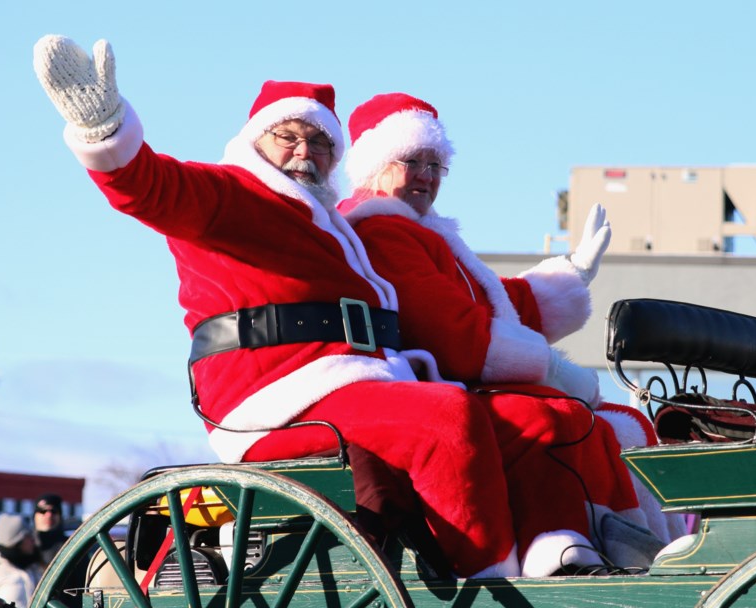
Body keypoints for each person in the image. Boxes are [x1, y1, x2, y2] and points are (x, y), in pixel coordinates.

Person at [34, 35, 535, 578]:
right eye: (289, 135)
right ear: (256, 141)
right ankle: (492, 586)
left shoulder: (332, 225)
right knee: (445, 419)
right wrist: (104, 131)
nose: (305, 151)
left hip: (351, 385)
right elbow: (151, 187)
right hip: (274, 397)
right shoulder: (231, 196)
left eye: (321, 143)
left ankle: (565, 554)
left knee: (525, 420)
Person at [338, 92, 687, 571]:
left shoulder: (425, 234)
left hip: (458, 382)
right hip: (429, 387)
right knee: (553, 418)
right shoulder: (382, 232)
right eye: (411, 161)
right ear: (374, 166)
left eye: (436, 165)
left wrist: (572, 274)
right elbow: (450, 334)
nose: (425, 176)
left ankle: (618, 541)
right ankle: (556, 543)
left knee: (619, 421)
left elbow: (492, 304)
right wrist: (549, 366)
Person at [32, 493, 66, 567]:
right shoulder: (25, 546)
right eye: (43, 511)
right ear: (34, 516)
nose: (49, 515)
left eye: (54, 511)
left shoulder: (69, 546)